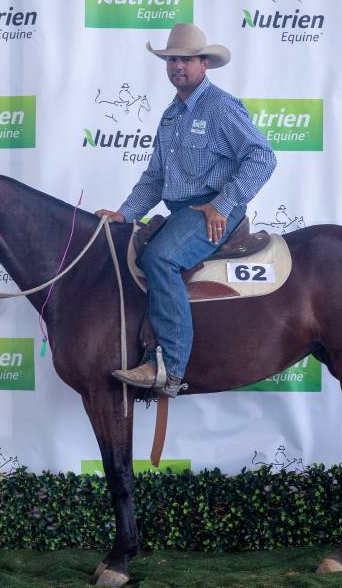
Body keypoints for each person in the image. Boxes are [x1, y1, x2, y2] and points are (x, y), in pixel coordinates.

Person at [95, 23, 276, 397]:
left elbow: (261, 157)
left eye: (187, 60)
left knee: (160, 258)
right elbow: (155, 178)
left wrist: (221, 204)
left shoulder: (220, 107)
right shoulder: (171, 116)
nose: (178, 66)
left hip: (212, 211)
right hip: (182, 211)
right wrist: (125, 214)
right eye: (172, 59)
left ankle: (171, 367)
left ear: (204, 64)